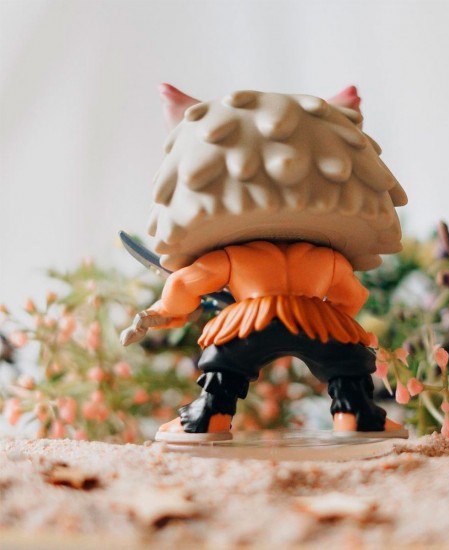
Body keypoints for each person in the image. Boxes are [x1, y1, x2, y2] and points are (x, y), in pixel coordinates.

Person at [122, 85, 407, 440]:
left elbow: (183, 283)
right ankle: (357, 414)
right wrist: (338, 322)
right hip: (316, 318)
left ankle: (209, 418)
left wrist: (165, 311)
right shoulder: (327, 259)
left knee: (224, 364)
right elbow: (353, 297)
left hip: (249, 321)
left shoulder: (234, 258)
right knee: (346, 363)